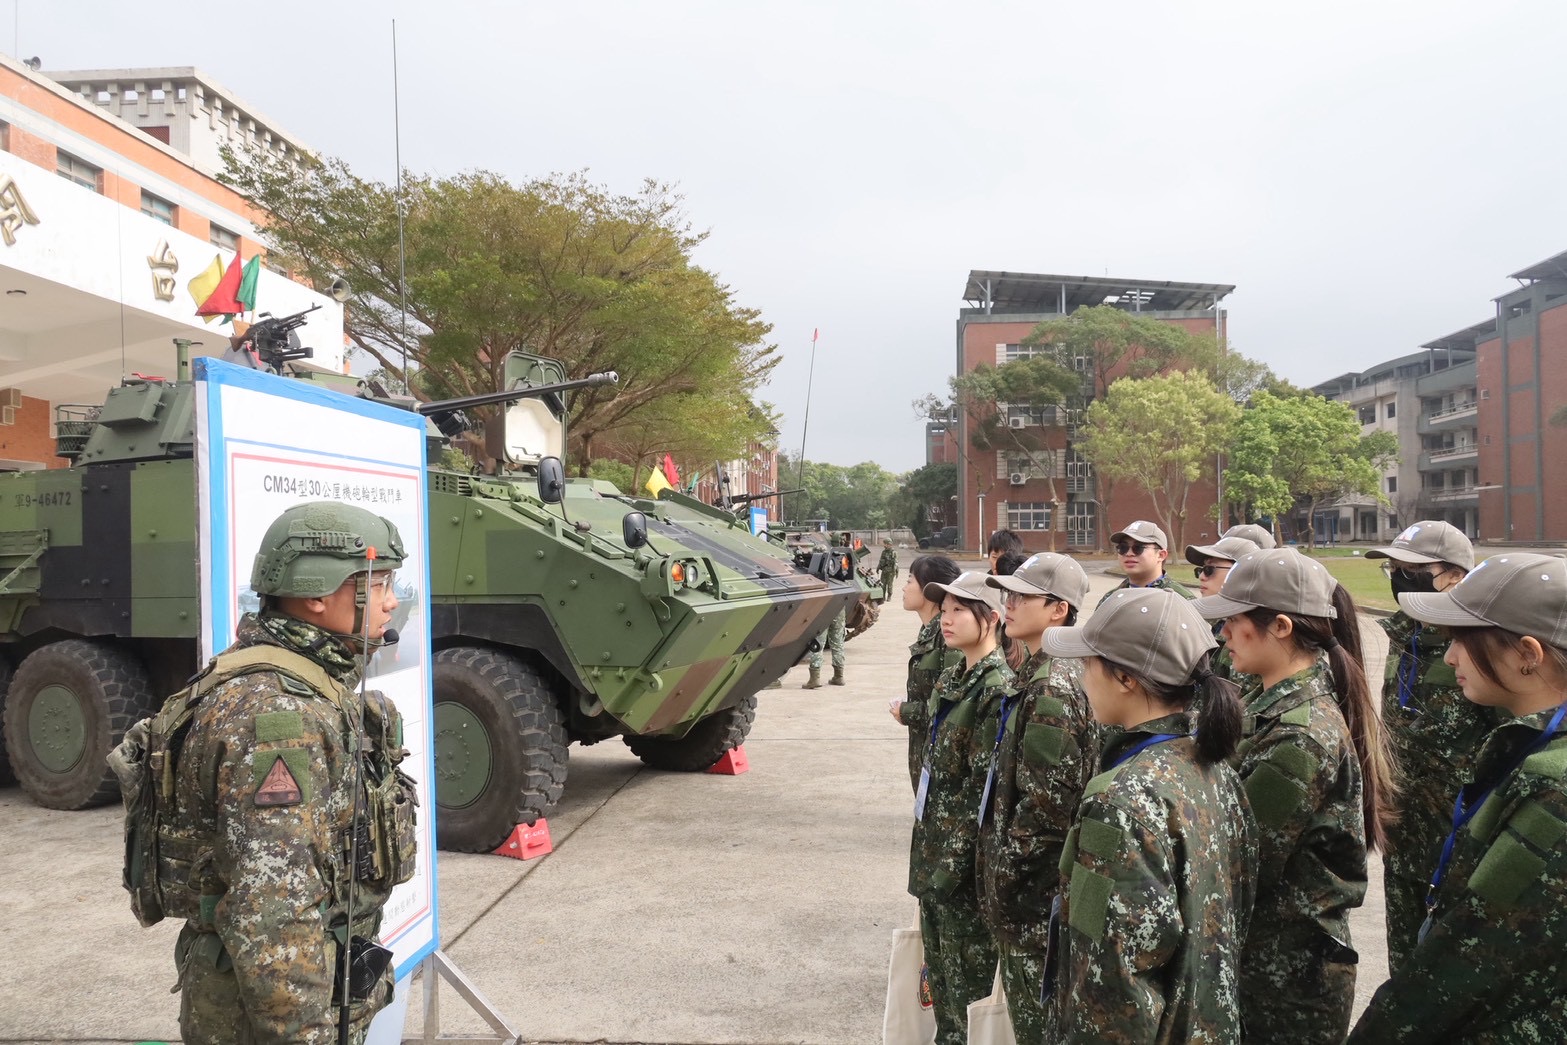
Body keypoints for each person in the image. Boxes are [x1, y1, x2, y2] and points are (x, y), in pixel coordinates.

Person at [150, 502, 413, 1044]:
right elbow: (273, 914)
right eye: (377, 583)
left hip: (301, 995)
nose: (391, 601)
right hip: (271, 1017)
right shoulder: (278, 717)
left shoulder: (303, 682)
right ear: (316, 594)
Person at [1349, 553, 1567, 1042]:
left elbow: (1466, 964)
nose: (1449, 658)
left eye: (1464, 640)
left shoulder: (1551, 788)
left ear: (1528, 653)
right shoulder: (1530, 747)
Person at [1193, 547, 1394, 1043]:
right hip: (1261, 964)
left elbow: (1240, 861)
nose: (1222, 633)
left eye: (1233, 620)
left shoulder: (1300, 737)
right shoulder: (1268, 701)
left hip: (1284, 985)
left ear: (1281, 626)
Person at [1042, 589, 1256, 1043]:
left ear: (1125, 678)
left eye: (1088, 662)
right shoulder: (1214, 768)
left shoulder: (1118, 802)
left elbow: (1111, 982)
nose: (1082, 675)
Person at [977, 553, 1098, 1043]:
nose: (1008, 604)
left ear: (1058, 610)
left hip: (1033, 900)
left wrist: (1005, 880)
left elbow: (1046, 808)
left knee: (1036, 1024)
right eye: (1008, 594)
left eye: (1022, 596)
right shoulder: (1039, 672)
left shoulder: (1052, 685)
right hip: (1030, 895)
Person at [1364, 521, 1492, 972]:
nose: (1400, 580)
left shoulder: (1483, 646)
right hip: (1402, 840)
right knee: (1404, 973)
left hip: (1461, 852)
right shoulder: (1404, 637)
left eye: (1413, 571)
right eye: (1394, 570)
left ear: (1456, 576)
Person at [907, 571, 1013, 1045]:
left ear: (991, 618)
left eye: (958, 611)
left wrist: (949, 870)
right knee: (941, 988)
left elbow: (981, 794)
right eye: (944, 610)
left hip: (961, 870)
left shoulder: (996, 690)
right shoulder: (954, 677)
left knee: (968, 993)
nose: (946, 620)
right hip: (932, 853)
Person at [890, 554, 964, 790]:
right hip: (925, 752)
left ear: (929, 588)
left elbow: (953, 707)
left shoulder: (948, 636)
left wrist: (906, 711)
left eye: (910, 580)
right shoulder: (929, 631)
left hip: (942, 762)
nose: (904, 587)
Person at [1184, 534, 1261, 683]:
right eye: (1201, 569)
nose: (1201, 576)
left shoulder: (1254, 637)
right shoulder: (1219, 624)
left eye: (1209, 569)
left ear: (1241, 572)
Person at [1097, 520, 1195, 606]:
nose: (1129, 553)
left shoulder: (1181, 600)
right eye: (1123, 548)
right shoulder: (1110, 599)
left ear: (1161, 555)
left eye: (1138, 548)